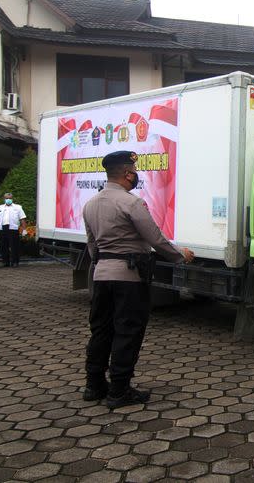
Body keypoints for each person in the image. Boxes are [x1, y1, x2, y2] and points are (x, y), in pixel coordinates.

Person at [83, 151, 195, 408]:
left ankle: (94, 385)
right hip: (129, 277)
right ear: (127, 174)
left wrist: (103, 265)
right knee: (127, 331)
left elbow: (92, 246)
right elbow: (155, 238)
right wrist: (180, 255)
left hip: (101, 275)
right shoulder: (131, 203)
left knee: (101, 330)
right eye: (134, 171)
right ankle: (119, 390)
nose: (136, 175)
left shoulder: (90, 204)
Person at [0, 193, 27, 268]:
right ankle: (5, 262)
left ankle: (15, 262)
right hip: (2, 229)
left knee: (14, 246)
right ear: (4, 199)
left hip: (13, 229)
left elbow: (22, 218)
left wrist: (24, 229)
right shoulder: (0, 208)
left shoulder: (18, 207)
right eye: (6, 198)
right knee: (3, 246)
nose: (8, 200)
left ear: (12, 199)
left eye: (10, 198)